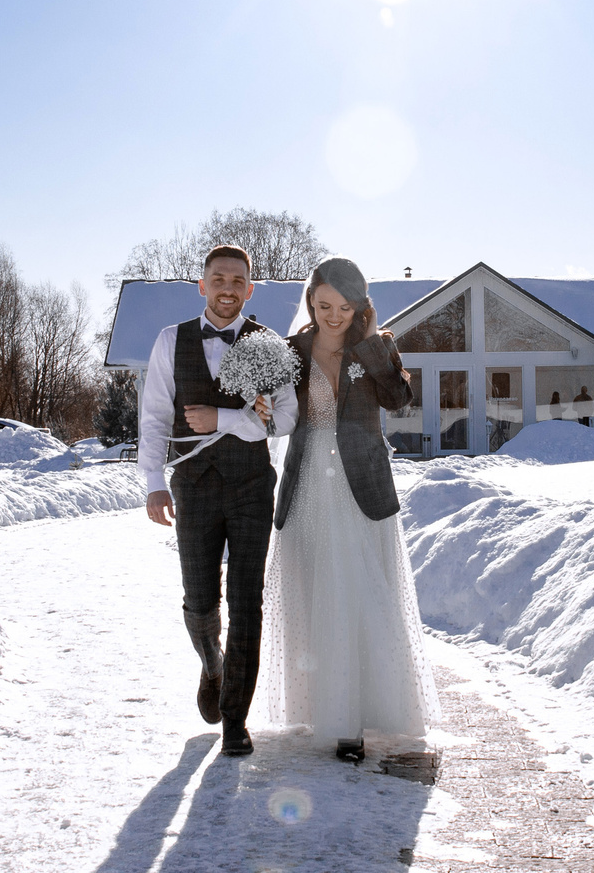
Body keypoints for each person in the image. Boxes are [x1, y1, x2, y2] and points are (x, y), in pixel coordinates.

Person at [263, 256, 433, 763]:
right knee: (318, 591)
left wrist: (373, 344)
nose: (333, 316)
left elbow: (399, 400)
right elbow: (275, 411)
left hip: (363, 483)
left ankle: (359, 717)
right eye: (323, 305)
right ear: (310, 302)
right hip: (308, 480)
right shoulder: (292, 350)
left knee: (361, 591)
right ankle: (331, 715)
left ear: (358, 306)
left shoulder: (376, 345)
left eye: (343, 307)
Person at [140, 244, 297, 758]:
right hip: (192, 484)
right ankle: (212, 661)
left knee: (246, 600)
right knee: (199, 598)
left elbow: (288, 418)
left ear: (250, 290)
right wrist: (153, 483)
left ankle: (235, 718)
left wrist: (225, 419)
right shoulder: (171, 341)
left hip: (252, 485)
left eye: (238, 281)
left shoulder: (268, 345)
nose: (228, 288)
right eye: (218, 278)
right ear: (202, 285)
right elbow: (155, 418)